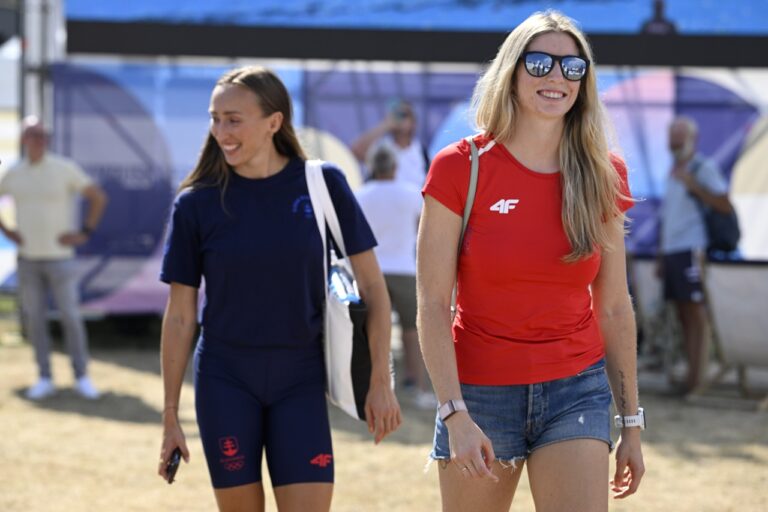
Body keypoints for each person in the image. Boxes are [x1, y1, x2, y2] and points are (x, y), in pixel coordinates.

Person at [417, 11, 645, 511]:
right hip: (479, 393)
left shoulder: (605, 173)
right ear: (511, 71)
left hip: (576, 389)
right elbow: (432, 304)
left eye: (573, 66)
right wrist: (454, 414)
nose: (557, 76)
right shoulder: (459, 167)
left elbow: (613, 306)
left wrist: (631, 423)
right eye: (540, 62)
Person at [156, 65, 401, 512]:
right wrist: (170, 415)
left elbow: (373, 288)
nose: (221, 132)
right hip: (225, 380)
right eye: (215, 119)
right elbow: (179, 316)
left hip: (301, 379)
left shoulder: (322, 185)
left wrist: (381, 382)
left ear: (274, 122)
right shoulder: (196, 204)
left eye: (234, 120)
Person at [0, 116, 107, 401]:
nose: (38, 140)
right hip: (28, 259)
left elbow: (97, 197)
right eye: (32, 135)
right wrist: (7, 230)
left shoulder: (64, 168)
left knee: (71, 317)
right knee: (35, 321)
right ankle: (44, 377)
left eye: (42, 135)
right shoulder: (14, 173)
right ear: (24, 139)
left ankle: (81, 376)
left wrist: (84, 232)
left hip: (61, 259)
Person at [657, 116, 734, 393]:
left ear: (692, 139)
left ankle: (697, 379)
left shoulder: (702, 167)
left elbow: (725, 204)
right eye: (672, 139)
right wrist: (661, 255)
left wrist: (694, 186)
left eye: (680, 138)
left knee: (696, 314)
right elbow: (669, 217)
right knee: (684, 313)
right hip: (673, 251)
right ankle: (692, 376)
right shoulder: (672, 170)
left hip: (692, 249)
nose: (675, 144)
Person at [354, 144, 434, 409]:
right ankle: (417, 385)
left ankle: (369, 385)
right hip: (404, 269)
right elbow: (424, 230)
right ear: (395, 167)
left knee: (371, 330)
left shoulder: (361, 195)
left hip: (371, 270)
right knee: (412, 330)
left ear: (371, 167)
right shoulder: (411, 194)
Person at [351, 99, 429, 188]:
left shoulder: (423, 154)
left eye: (403, 115)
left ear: (413, 122)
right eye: (396, 114)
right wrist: (386, 125)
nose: (399, 119)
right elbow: (356, 152)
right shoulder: (381, 149)